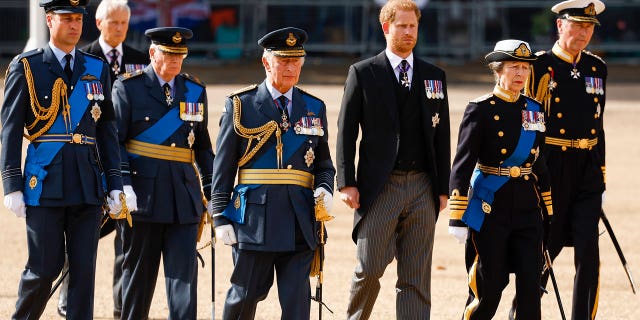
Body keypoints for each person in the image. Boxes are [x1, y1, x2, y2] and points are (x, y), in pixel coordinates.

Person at [0, 0, 126, 319]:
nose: (74, 25)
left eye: (78, 18)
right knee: (43, 269)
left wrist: (115, 183)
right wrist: (11, 184)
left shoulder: (96, 68)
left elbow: (107, 131)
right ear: (49, 20)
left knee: (82, 275)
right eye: (66, 18)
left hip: (87, 184)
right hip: (45, 182)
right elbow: (11, 130)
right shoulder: (27, 66)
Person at [210, 27, 335, 320]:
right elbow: (224, 168)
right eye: (283, 60)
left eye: (296, 60)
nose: (291, 67)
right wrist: (219, 215)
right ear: (266, 63)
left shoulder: (314, 106)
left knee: (297, 305)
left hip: (300, 220)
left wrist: (325, 187)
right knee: (243, 297)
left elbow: (324, 163)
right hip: (255, 221)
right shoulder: (240, 106)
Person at [336, 0, 451, 318]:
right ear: (386, 27)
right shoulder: (363, 73)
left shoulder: (434, 76)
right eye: (402, 25)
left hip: (422, 187)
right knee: (369, 269)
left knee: (415, 277)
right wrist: (347, 182)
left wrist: (443, 188)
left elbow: (442, 135)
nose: (409, 32)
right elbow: (346, 130)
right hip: (379, 186)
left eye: (413, 26)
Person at [512, 1, 607, 319]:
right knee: (542, 250)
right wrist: (527, 171)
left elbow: (599, 125)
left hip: (587, 170)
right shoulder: (538, 67)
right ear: (560, 26)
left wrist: (601, 174)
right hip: (551, 167)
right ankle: (523, 312)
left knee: (589, 255)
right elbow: (525, 123)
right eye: (577, 25)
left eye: (589, 27)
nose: (584, 33)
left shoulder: (597, 68)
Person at [111, 26, 214, 319]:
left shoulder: (194, 90)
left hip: (184, 201)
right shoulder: (128, 87)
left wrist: (214, 192)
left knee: (184, 284)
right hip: (141, 200)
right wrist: (123, 185)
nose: (175, 60)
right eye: (169, 54)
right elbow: (115, 141)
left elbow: (203, 148)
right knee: (138, 284)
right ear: (153, 53)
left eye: (180, 55)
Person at [55, 1, 150, 317]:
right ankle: (69, 301)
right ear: (98, 22)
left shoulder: (140, 61)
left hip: (126, 166)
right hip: (86, 162)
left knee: (128, 240)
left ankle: (121, 307)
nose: (120, 28)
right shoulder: (82, 59)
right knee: (79, 241)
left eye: (124, 22)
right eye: (114, 22)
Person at [448, 39, 553, 320]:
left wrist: (548, 206)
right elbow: (463, 161)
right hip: (490, 206)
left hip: (528, 209)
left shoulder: (534, 108)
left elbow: (538, 160)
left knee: (531, 287)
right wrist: (457, 216)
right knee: (489, 287)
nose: (520, 73)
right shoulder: (480, 108)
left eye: (524, 67)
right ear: (498, 70)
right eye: (513, 67)